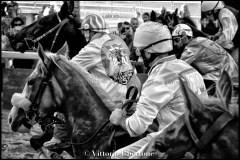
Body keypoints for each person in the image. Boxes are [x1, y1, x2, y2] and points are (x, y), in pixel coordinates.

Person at [109, 22, 208, 159]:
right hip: (195, 140)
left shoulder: (158, 77)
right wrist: (139, 105)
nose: (137, 53)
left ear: (149, 52)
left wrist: (119, 119)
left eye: (139, 50)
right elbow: (173, 103)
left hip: (172, 143)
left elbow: (136, 127)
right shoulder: (187, 68)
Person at [43, 14, 142, 148]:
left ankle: (59, 137)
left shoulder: (92, 47)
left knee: (67, 94)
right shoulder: (117, 41)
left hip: (110, 103)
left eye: (85, 31)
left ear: (89, 31)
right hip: (130, 99)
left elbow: (65, 70)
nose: (84, 35)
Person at [172, 24, 239, 95]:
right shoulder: (200, 39)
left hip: (226, 80)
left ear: (184, 37)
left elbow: (177, 69)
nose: (175, 44)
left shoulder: (191, 48)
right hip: (233, 75)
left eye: (177, 40)